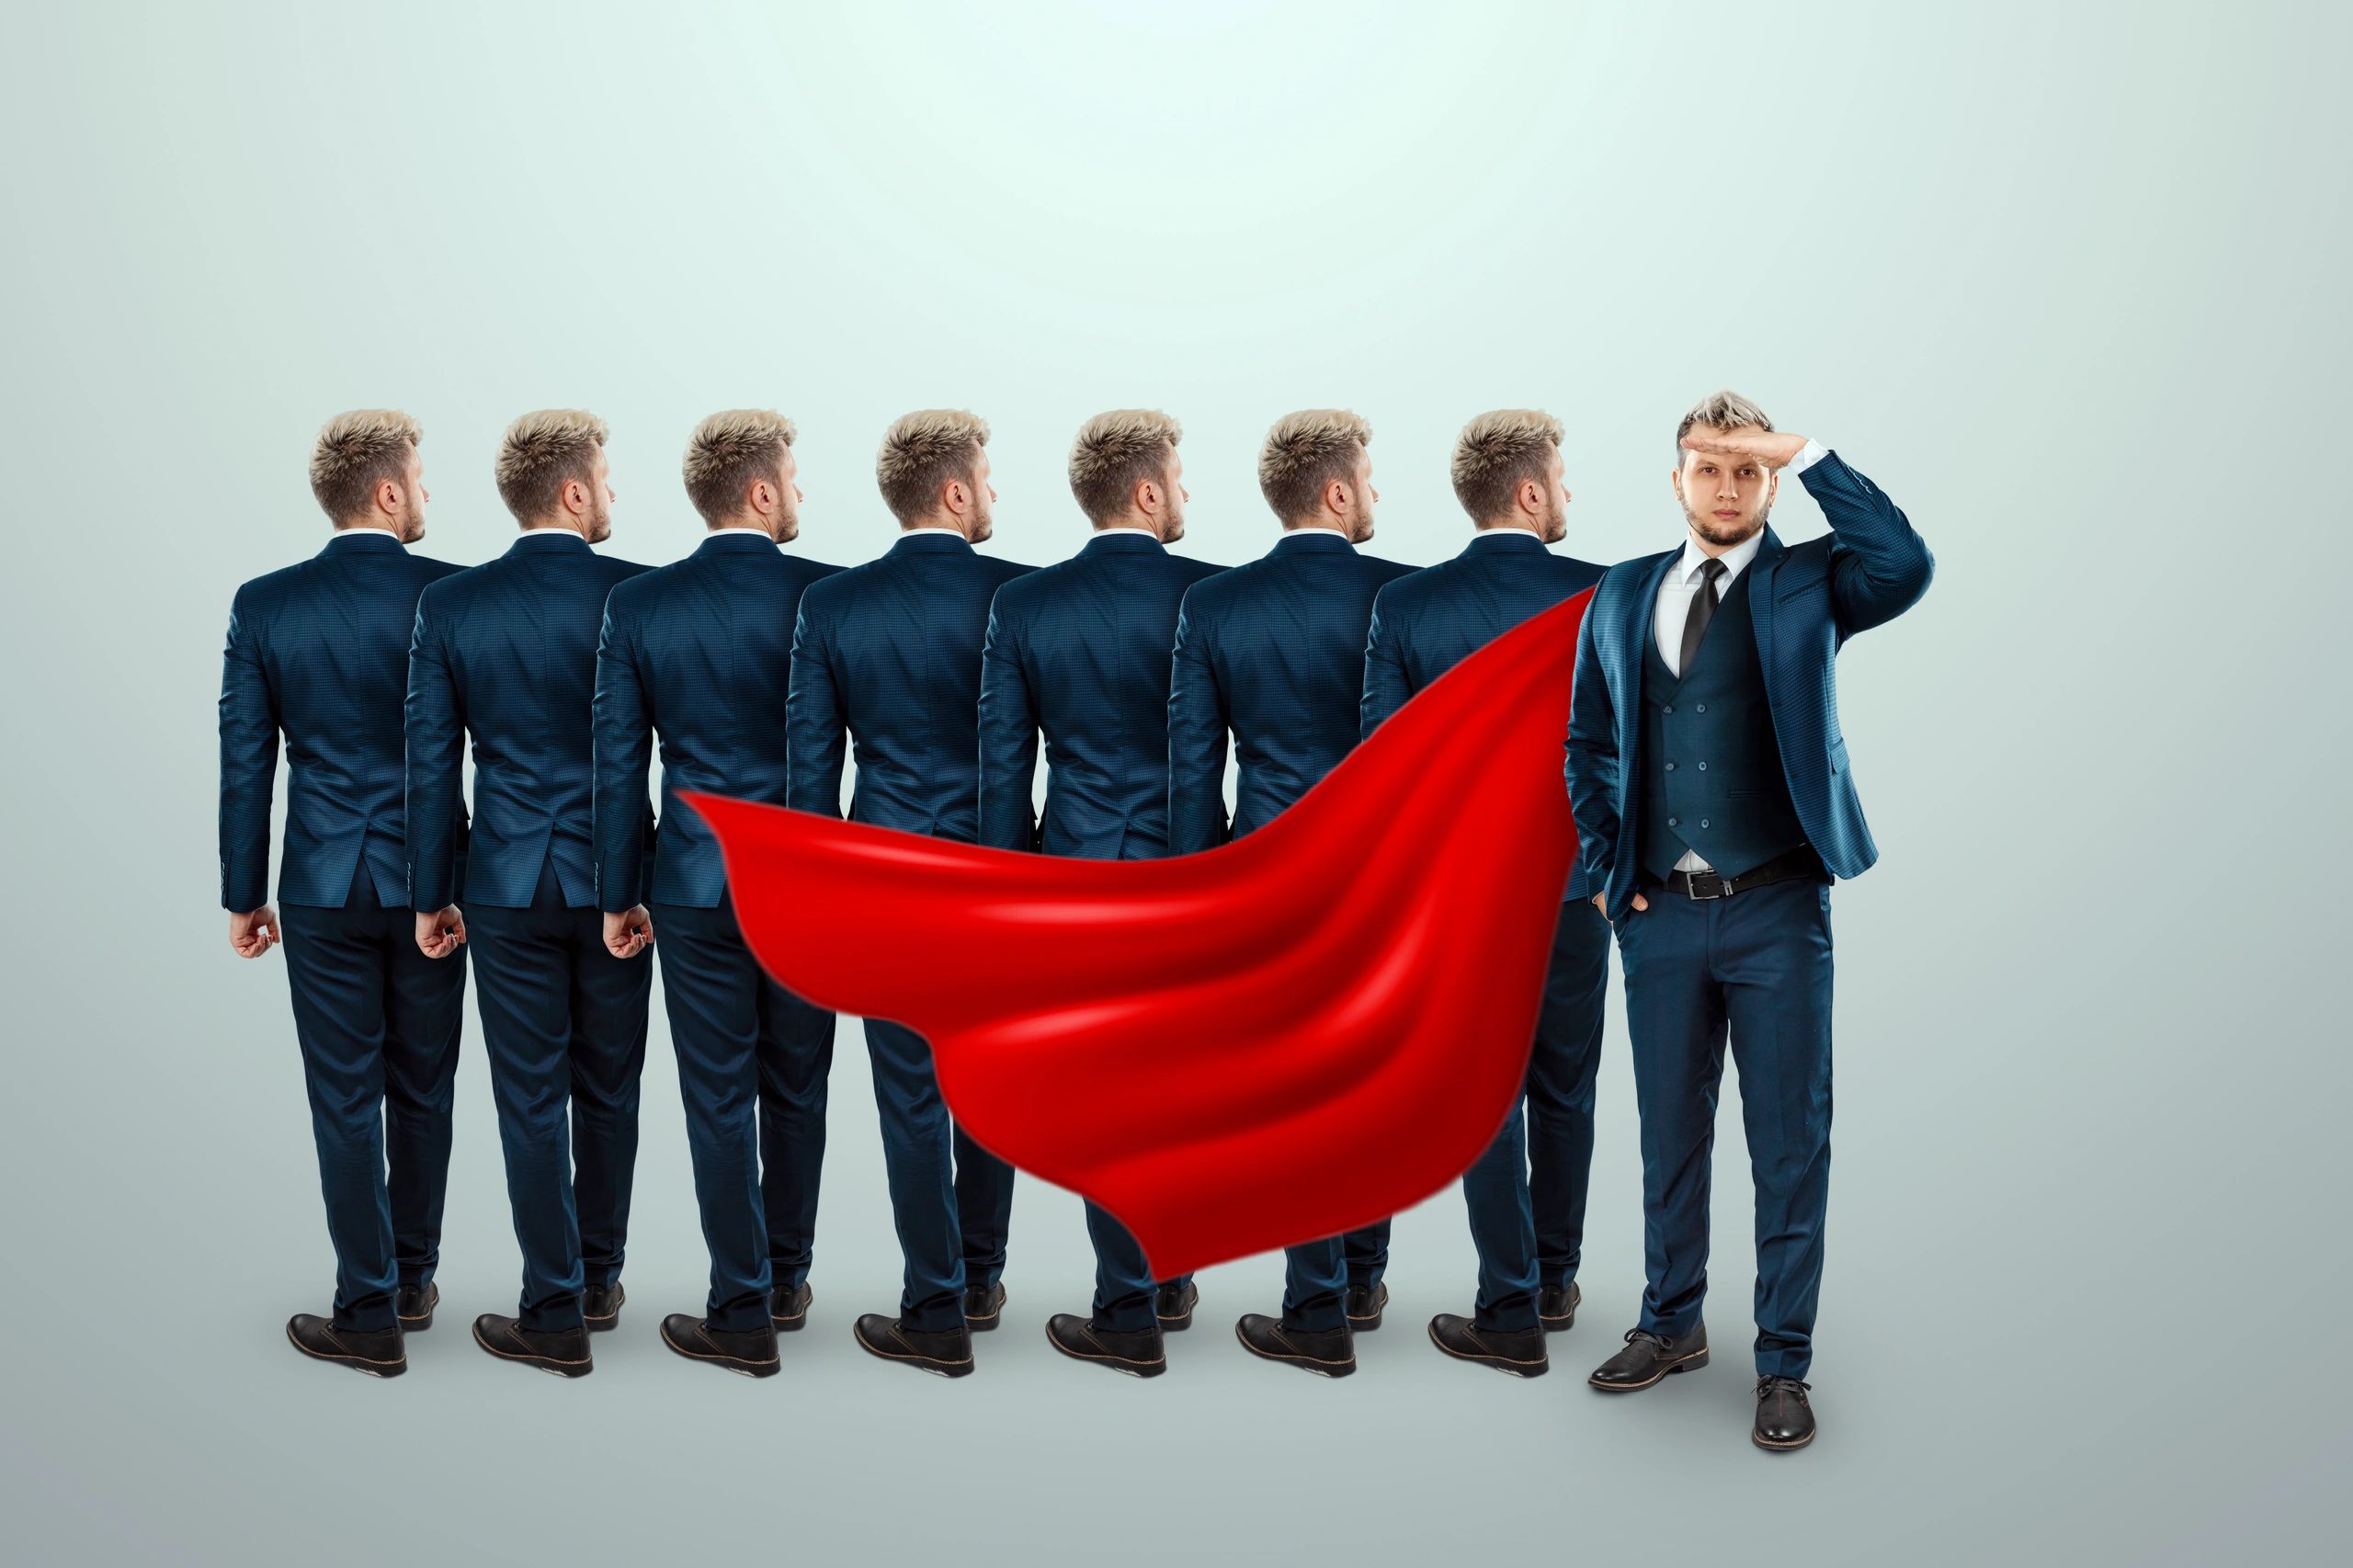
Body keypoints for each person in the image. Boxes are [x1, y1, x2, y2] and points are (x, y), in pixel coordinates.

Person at [1565, 391, 1933, 1449]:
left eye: (1745, 470)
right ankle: (1671, 1321)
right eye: (1706, 467)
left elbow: (1905, 564)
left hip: (1777, 906)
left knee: (1787, 1139)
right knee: (1669, 1136)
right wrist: (1607, 871)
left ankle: (1782, 1361)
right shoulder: (1622, 591)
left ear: (1766, 480)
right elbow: (1585, 741)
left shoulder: (1812, 578)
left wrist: (1808, 453)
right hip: (1659, 917)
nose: (1725, 487)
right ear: (1674, 478)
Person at [1344, 410, 1608, 1379]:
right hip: (1576, 884)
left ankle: (1506, 1306)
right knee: (1564, 1088)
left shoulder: (1408, 607)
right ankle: (1552, 1280)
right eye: (1563, 479)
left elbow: (1381, 766)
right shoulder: (1601, 596)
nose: (1569, 494)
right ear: (1530, 492)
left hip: (1460, 891)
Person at [973, 409, 1224, 1378]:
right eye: (1180, 478)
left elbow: (1006, 768)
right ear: (1149, 491)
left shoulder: (1026, 607)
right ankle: (1160, 1280)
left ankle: (1129, 1303)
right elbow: (1215, 750)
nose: (1187, 496)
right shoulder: (1216, 595)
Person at [219, 409, 467, 1378]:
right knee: (425, 1085)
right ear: (389, 491)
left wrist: (245, 892)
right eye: (421, 477)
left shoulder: (266, 603)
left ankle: (366, 1307)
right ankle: (411, 1279)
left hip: (320, 881)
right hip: (432, 882)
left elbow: (248, 760)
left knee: (344, 1098)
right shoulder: (456, 595)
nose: (428, 495)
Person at [786, 409, 1034, 1377]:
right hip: (996, 875)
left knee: (910, 1097)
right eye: (988, 476)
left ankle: (934, 1305)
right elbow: (1032, 747)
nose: (995, 495)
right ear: (956, 490)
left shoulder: (835, 607)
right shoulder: (1025, 595)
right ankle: (978, 1276)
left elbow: (811, 772)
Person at [593, 409, 840, 1378]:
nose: (801, 495)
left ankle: (739, 1304)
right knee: (800, 1086)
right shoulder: (832, 595)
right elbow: (840, 747)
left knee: (716, 1096)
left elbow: (622, 763)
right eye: (795, 476)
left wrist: (620, 892)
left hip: (693, 880)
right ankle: (786, 1278)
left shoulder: (643, 607)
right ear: (763, 490)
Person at [405, 410, 652, 1378]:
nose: (613, 495)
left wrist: (432, 892)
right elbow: (653, 747)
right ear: (575, 490)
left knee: (528, 1096)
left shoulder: (455, 606)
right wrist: (640, 877)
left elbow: (434, 764)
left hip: (504, 879)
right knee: (612, 1086)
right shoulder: (640, 594)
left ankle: (551, 1304)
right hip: (615, 880)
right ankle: (597, 1279)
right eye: (606, 477)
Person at [1166, 408, 1411, 1378]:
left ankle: (1316, 1303)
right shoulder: (1408, 595)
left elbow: (1194, 767)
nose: (1378, 496)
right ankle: (1356, 1278)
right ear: (1339, 490)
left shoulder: (1217, 607)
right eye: (1371, 478)